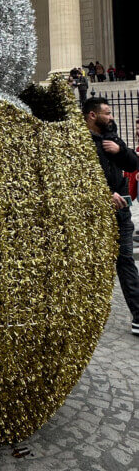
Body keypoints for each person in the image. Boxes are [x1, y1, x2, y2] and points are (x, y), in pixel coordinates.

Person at [83, 98, 139, 335]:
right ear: (93, 116)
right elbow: (74, 179)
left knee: (126, 260)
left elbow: (134, 163)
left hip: (122, 213)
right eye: (107, 113)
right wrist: (103, 196)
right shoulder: (78, 142)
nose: (112, 117)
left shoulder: (112, 137)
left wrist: (121, 150)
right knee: (91, 265)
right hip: (93, 215)